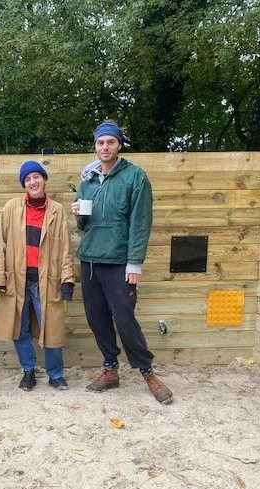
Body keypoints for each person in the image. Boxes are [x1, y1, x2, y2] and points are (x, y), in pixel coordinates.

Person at [71, 120, 172, 404]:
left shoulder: (135, 177)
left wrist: (134, 263)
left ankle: (147, 372)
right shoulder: (88, 180)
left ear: (119, 145)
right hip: (90, 259)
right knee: (97, 319)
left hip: (118, 262)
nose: (105, 147)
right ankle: (110, 369)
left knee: (125, 319)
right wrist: (78, 214)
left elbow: (140, 223)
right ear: (95, 145)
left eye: (110, 142)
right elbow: (83, 227)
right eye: (100, 142)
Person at [0, 161, 75, 391]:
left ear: (44, 179)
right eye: (27, 179)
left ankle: (55, 374)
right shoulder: (10, 208)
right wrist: (0, 278)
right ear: (24, 184)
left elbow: (65, 248)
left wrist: (67, 279)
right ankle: (28, 371)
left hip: (47, 282)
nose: (33, 182)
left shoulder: (57, 210)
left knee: (52, 327)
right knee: (19, 328)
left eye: (36, 176)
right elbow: (1, 244)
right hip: (16, 281)